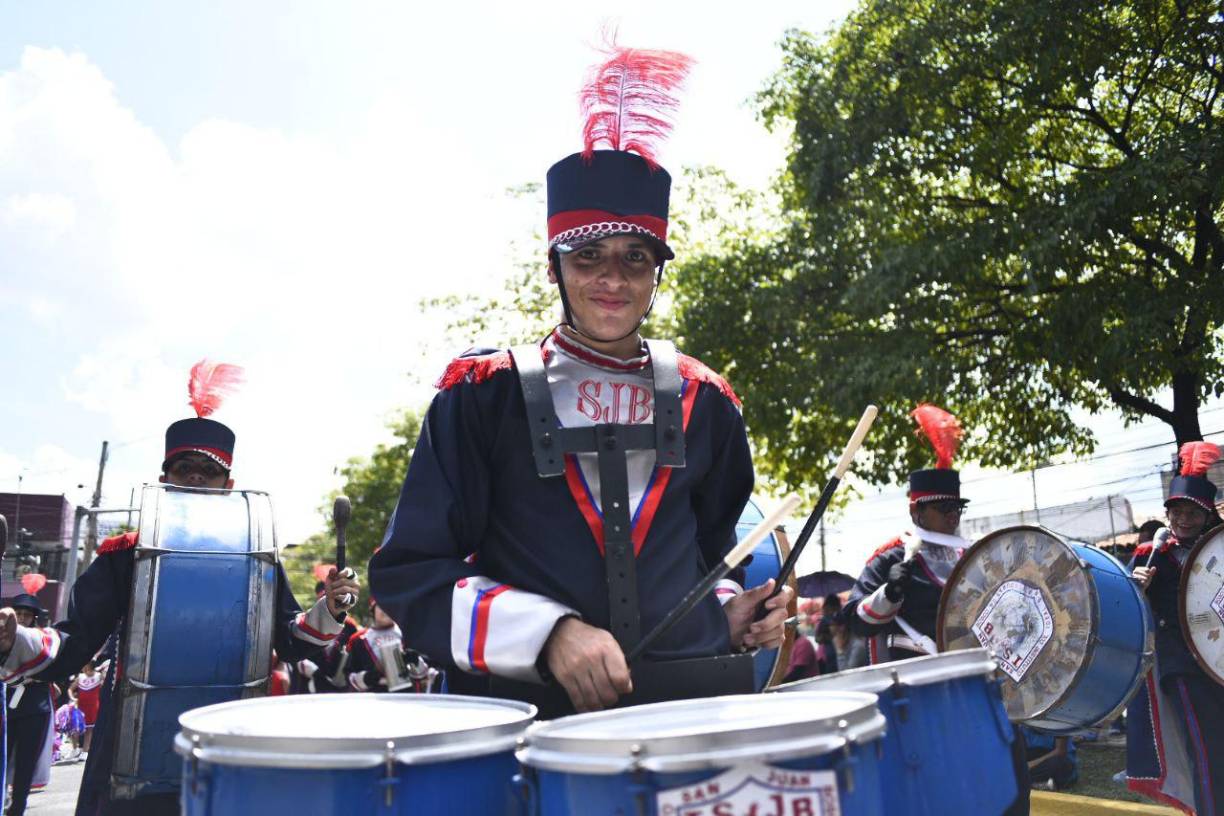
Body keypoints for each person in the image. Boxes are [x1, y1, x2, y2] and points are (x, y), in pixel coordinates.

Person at [369, 41, 791, 717]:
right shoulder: (482, 393)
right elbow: (411, 575)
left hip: (687, 716)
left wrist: (736, 613)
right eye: (588, 256)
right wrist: (548, 635)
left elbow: (712, 561)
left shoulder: (706, 401)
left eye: (635, 258)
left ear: (658, 270)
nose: (612, 280)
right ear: (553, 268)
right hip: (525, 725)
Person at [0, 362, 360, 816]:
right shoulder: (125, 553)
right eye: (184, 468)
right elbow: (76, 642)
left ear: (228, 486)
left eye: (207, 472)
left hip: (228, 734)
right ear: (165, 478)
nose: (194, 478)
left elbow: (289, 641)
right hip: (129, 739)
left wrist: (330, 607)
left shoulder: (257, 556)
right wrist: (18, 639)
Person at [1127, 441, 1224, 815]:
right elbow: (1128, 613)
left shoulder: (1217, 549)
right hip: (1180, 664)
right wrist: (1138, 589)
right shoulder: (1147, 556)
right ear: (1168, 513)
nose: (1184, 519)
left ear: (1207, 516)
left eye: (1193, 513)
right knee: (1206, 751)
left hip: (1218, 664)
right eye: (1178, 511)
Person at [843, 404, 971, 663]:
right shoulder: (890, 558)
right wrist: (889, 593)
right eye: (944, 508)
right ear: (916, 513)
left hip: (967, 679)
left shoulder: (971, 557)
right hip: (910, 686)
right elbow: (854, 621)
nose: (952, 516)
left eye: (957, 508)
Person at [2, 594, 53, 816]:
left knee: (25, 763)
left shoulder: (42, 642)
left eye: (27, 615)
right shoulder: (4, 638)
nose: (22, 619)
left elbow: (54, 670)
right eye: (19, 614)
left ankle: (18, 807)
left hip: (34, 709)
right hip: (6, 709)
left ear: (34, 619)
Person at [68, 660, 102, 754]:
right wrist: (73, 698)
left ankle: (85, 751)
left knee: (89, 729)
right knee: (75, 727)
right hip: (80, 706)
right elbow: (70, 689)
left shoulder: (99, 676)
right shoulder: (80, 676)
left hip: (92, 706)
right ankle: (75, 749)